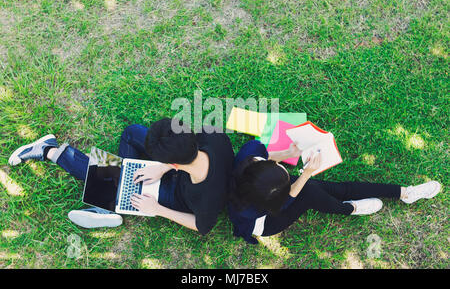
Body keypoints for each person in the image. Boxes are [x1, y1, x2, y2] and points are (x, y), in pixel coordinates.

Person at [8, 118, 234, 235]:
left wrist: (158, 210)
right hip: (177, 168)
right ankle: (110, 203)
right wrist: (162, 167)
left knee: (115, 179)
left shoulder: (205, 196)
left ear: (176, 163)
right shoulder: (212, 135)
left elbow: (202, 226)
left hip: (175, 195)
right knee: (132, 132)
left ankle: (49, 151)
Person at [228, 139, 442, 244]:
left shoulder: (250, 153)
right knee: (309, 192)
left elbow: (269, 159)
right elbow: (285, 202)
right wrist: (305, 175)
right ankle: (348, 209)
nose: (285, 167)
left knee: (332, 188)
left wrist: (290, 153)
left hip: (267, 193)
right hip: (266, 221)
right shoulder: (249, 211)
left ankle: (405, 192)